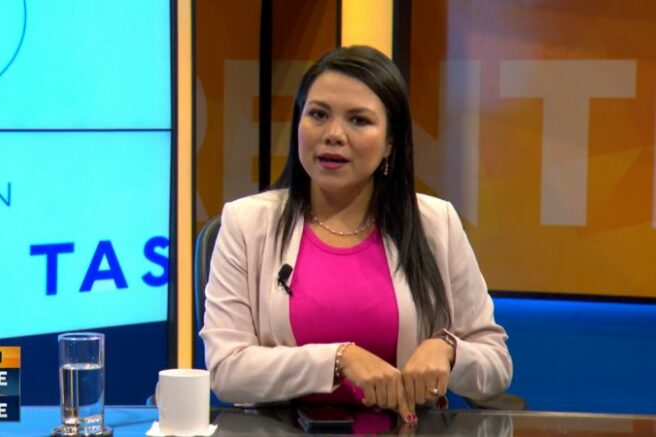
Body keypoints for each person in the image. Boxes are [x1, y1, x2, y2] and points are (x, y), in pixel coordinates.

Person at [200, 45, 512, 425]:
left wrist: (448, 351)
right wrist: (338, 359)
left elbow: (496, 365)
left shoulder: (435, 224)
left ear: (391, 142)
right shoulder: (247, 223)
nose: (334, 134)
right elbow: (227, 371)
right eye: (318, 114)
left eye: (359, 120)